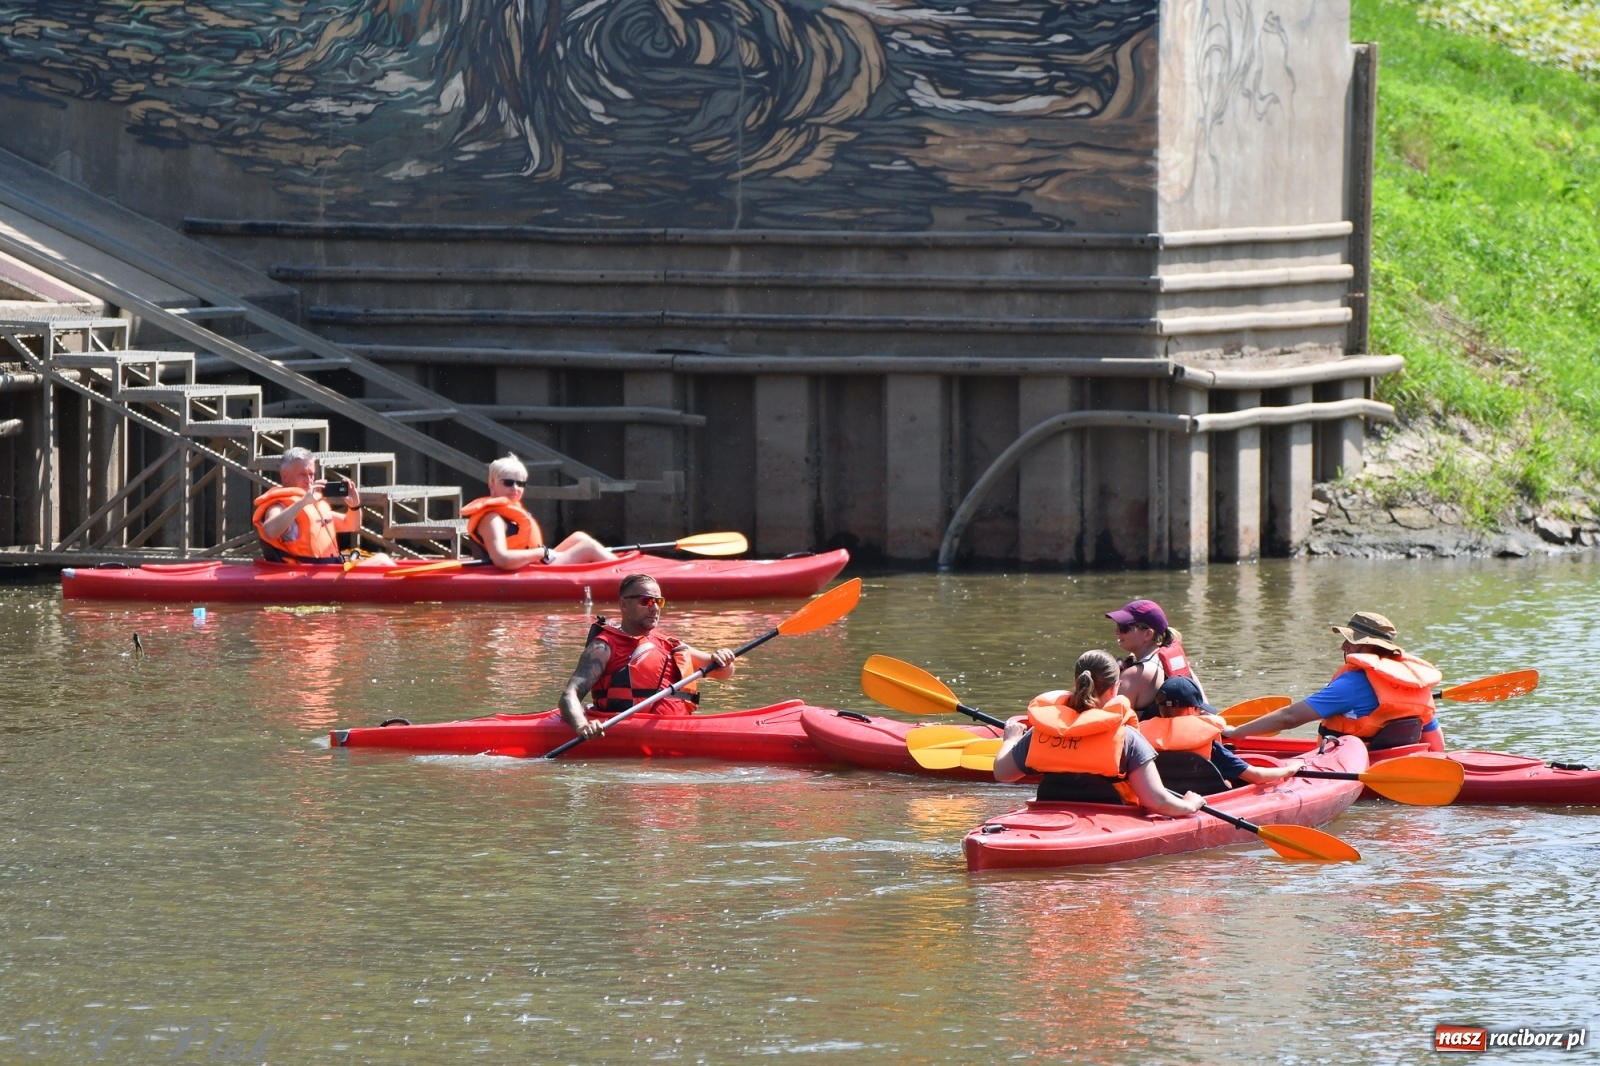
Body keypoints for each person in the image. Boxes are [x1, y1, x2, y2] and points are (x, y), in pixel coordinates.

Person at [993, 649, 1206, 816]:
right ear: (1115, 688)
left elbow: (1003, 774)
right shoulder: (1128, 738)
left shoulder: (1045, 730)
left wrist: (1011, 740)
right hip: (1112, 819)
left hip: (1050, 812)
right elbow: (1157, 802)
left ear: (1076, 683)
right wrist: (1189, 805)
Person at [1223, 611, 1446, 752]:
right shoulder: (1416, 683)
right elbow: (1437, 746)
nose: (1343, 646)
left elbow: (1290, 717)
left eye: (1351, 640)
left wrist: (1236, 733)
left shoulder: (1352, 684)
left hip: (1356, 767)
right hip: (1401, 763)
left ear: (1370, 646)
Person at [558, 573, 736, 739]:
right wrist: (582, 726)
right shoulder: (603, 647)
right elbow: (569, 695)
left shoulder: (669, 644)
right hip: (627, 733)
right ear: (624, 605)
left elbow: (723, 672)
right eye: (647, 601)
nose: (655, 608)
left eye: (659, 601)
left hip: (678, 729)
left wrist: (723, 658)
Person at [1144, 676, 1303, 793]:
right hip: (1206, 801)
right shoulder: (1210, 746)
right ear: (1192, 709)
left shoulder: (1142, 739)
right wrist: (1289, 770)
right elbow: (1257, 776)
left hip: (1163, 799)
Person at [460, 454, 618, 569]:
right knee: (587, 547)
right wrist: (541, 553)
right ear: (492, 484)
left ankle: (619, 570)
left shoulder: (506, 511)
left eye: (520, 484)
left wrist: (542, 553)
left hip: (533, 563)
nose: (515, 488)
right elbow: (501, 559)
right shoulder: (492, 519)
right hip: (526, 570)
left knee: (579, 537)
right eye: (508, 482)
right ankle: (626, 580)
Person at [252, 447, 392, 566]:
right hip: (305, 573)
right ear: (284, 476)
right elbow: (270, 530)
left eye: (311, 474)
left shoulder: (313, 504)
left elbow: (351, 525)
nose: (309, 480)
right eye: (302, 475)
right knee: (382, 560)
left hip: (329, 569)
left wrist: (354, 506)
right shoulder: (278, 505)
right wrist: (303, 502)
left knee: (382, 559)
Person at [1107, 599, 1203, 718]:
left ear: (1148, 634)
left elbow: (1112, 722)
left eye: (1124, 627)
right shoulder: (1179, 664)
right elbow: (1204, 708)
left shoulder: (1134, 675)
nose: (1117, 632)